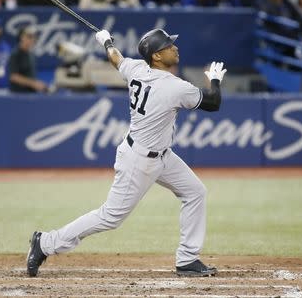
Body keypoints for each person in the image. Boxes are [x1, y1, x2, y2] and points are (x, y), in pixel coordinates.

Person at [26, 28, 227, 278]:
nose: (175, 48)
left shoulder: (136, 68)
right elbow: (214, 102)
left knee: (195, 192)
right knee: (110, 216)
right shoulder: (175, 86)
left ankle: (187, 259)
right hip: (140, 160)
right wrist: (215, 79)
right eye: (168, 46)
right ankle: (45, 242)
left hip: (162, 155)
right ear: (156, 56)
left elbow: (115, 58)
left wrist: (107, 41)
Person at [8, 26, 47, 93]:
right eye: (29, 36)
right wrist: (33, 84)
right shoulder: (15, 54)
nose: (33, 39)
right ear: (21, 37)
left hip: (30, 93)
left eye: (34, 37)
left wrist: (38, 84)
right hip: (18, 95)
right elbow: (13, 76)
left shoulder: (30, 54)